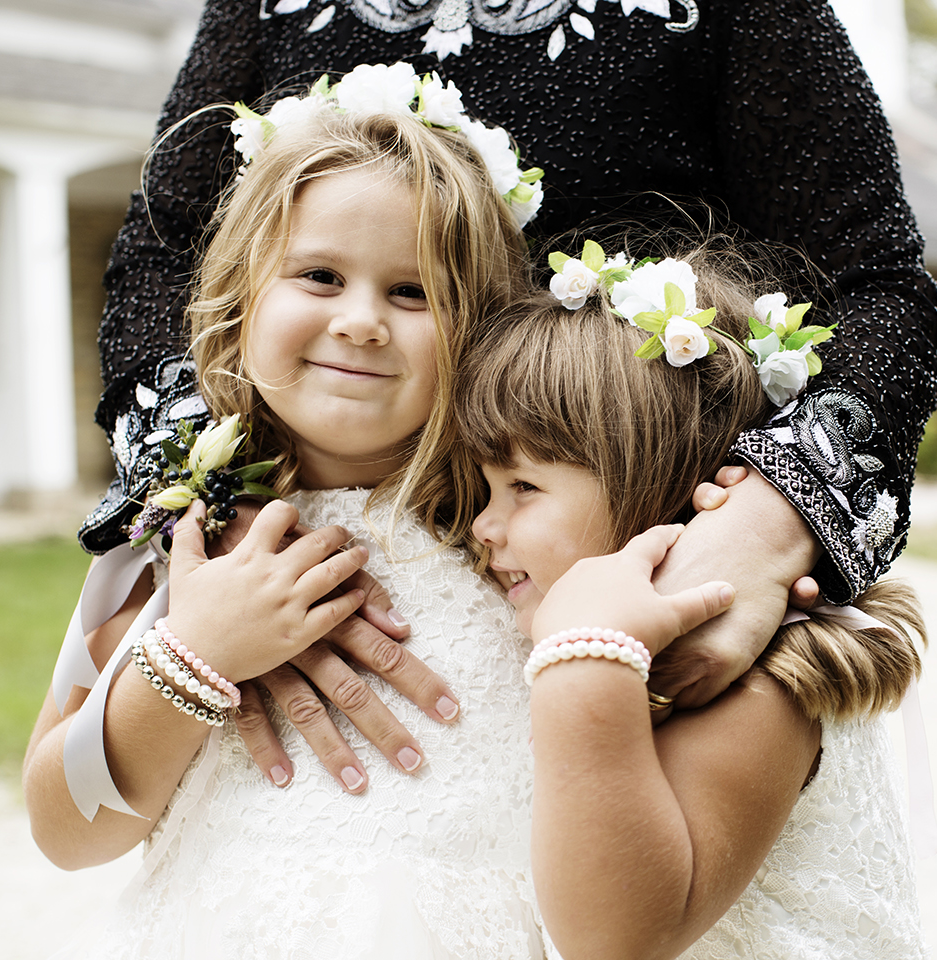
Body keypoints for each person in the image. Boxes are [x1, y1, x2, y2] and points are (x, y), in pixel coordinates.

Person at [81, 0, 937, 785]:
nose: (361, 317)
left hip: (645, 560)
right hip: (320, 528)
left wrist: (762, 532)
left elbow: (879, 287)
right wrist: (215, 512)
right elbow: (163, 252)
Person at [29, 71, 555, 956]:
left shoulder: (515, 537)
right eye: (319, 275)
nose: (359, 322)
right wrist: (194, 656)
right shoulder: (175, 542)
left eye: (412, 293)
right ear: (242, 299)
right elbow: (65, 830)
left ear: (483, 329)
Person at [453, 244, 930, 958]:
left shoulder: (760, 682)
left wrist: (582, 660)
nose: (482, 526)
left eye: (524, 487)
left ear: (659, 481)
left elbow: (613, 937)